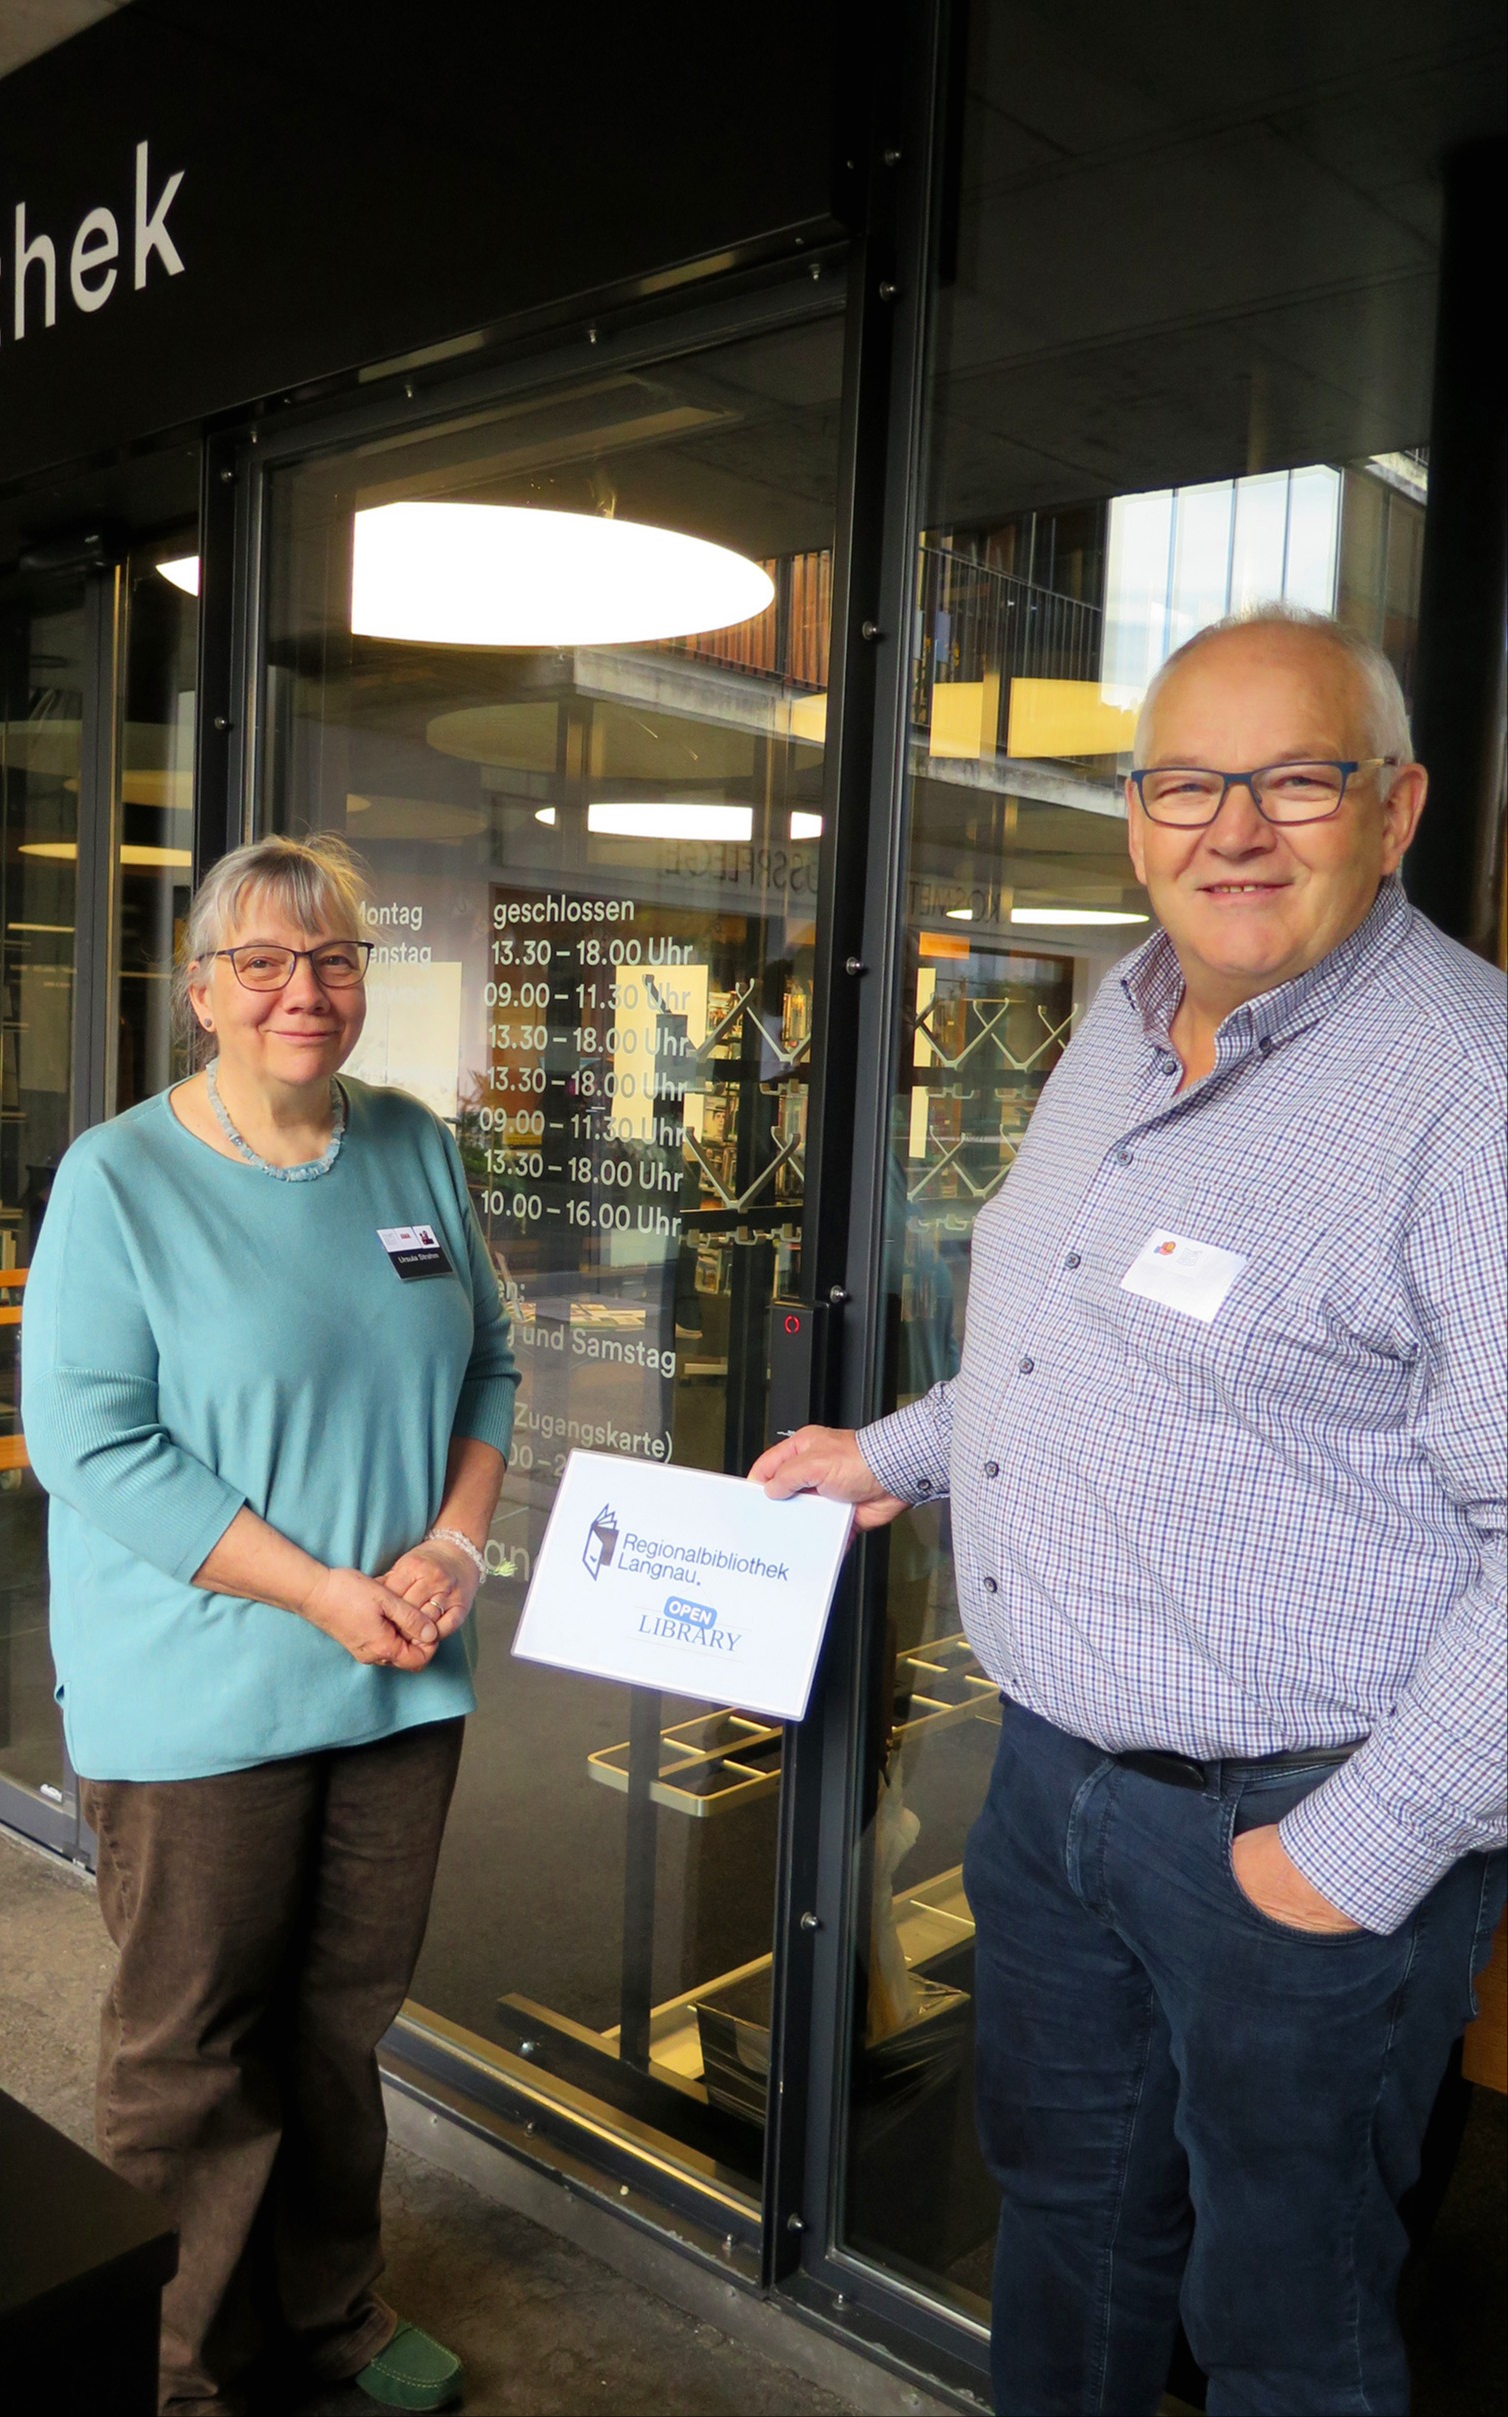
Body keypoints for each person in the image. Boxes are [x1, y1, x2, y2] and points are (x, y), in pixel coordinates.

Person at [752, 606, 1506, 2415]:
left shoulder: (1470, 1094)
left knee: (1286, 2315)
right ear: (1135, 813)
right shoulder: (1121, 1013)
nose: (1231, 828)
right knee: (1066, 2219)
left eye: (1294, 778)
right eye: (1186, 783)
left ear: (1392, 809)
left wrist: (1349, 1856)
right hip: (1050, 1790)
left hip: (1302, 1820)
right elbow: (1068, 1339)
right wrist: (895, 1451)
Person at [21, 833, 518, 2417]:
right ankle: (173, 2371)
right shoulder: (122, 1177)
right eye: (264, 961)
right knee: (190, 2047)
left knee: (335, 2025)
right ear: (201, 990)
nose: (305, 991)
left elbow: (490, 1360)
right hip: (200, 1694)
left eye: (335, 959)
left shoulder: (414, 1148)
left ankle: (328, 2313)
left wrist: (451, 1539)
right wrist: (318, 1588)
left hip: (394, 1688)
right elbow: (88, 1440)